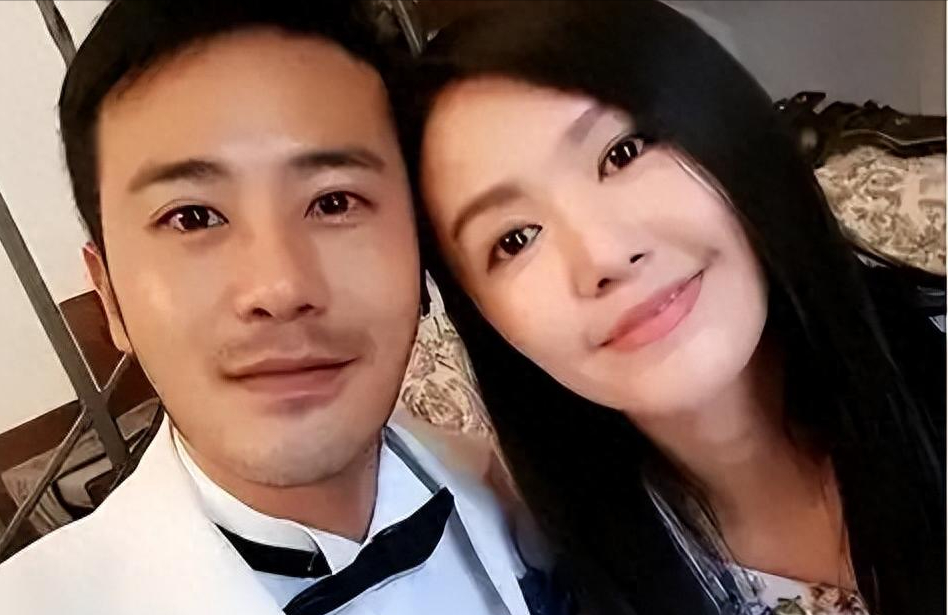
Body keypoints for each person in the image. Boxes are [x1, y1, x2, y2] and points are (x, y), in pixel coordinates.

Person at [0, 2, 564, 614]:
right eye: (193, 217)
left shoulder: (524, 502)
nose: (280, 288)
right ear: (109, 295)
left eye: (333, 202)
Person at [401, 2, 945, 615]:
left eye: (622, 154)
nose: (604, 255)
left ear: (725, 131)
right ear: (485, 319)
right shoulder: (549, 578)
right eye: (515, 239)